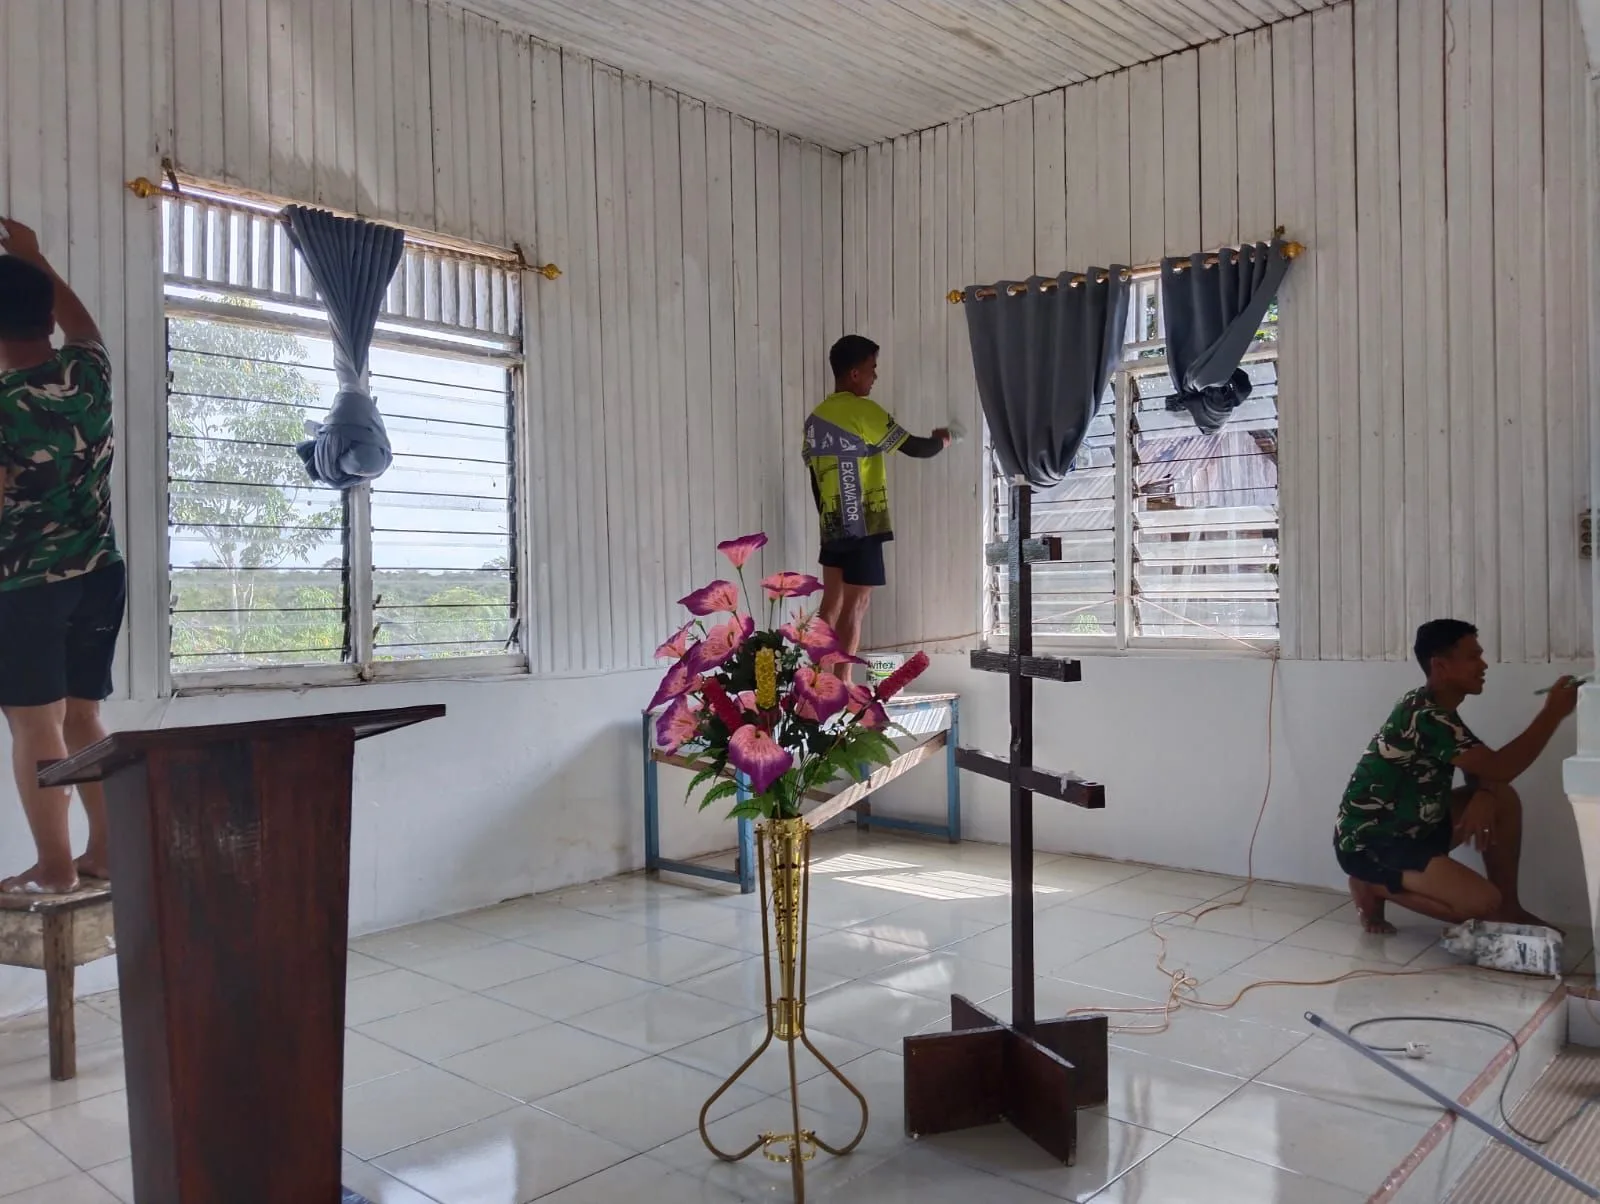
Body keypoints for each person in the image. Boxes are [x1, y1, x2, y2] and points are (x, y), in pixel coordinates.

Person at [0, 217, 124, 895]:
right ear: (44, 316)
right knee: (82, 715)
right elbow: (84, 326)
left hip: (28, 584)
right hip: (102, 574)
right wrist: (37, 257)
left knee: (33, 722)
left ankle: (55, 868)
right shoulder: (87, 374)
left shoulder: (4, 405)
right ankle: (103, 850)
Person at [1333, 618, 1578, 935]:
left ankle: (1510, 910)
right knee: (1482, 904)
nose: (1483, 665)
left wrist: (1485, 795)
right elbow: (1501, 767)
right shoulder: (1425, 716)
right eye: (1473, 657)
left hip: (1416, 826)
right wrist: (1553, 713)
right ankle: (1370, 883)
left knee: (1501, 798)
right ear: (1441, 665)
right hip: (1371, 841)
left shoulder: (1438, 709)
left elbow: (1481, 766)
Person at [803, 335, 949, 679]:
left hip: (832, 522)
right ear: (854, 374)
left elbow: (815, 478)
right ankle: (842, 684)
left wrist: (827, 518)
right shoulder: (863, 411)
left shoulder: (815, 419)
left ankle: (815, 682)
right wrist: (942, 440)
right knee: (857, 604)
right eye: (872, 368)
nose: (875, 376)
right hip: (864, 523)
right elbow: (915, 448)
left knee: (830, 604)